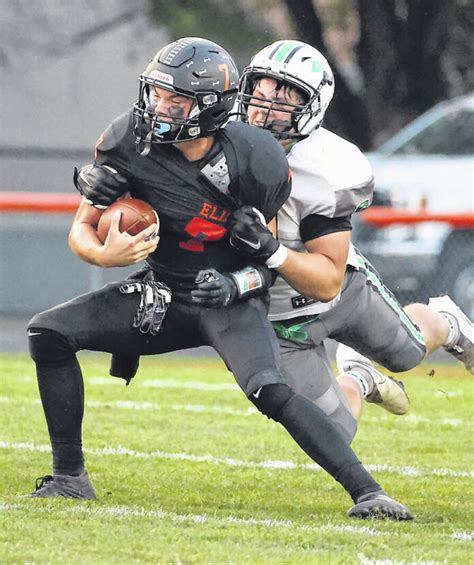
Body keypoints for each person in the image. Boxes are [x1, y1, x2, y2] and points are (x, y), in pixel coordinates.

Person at [27, 37, 411, 520]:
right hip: (162, 290)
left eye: (176, 99)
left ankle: (369, 492)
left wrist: (234, 286)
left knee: (270, 391)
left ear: (209, 108)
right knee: (48, 332)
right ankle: (69, 478)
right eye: (156, 94)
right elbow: (81, 233)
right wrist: (106, 254)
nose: (159, 108)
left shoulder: (255, 157)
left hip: (229, 297)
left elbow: (263, 264)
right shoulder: (128, 138)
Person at [217, 39, 473, 443]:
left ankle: (448, 320)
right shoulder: (216, 144)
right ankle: (359, 378)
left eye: (284, 99)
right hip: (278, 322)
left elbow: (328, 279)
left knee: (405, 353)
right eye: (260, 93)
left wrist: (271, 249)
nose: (264, 109)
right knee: (333, 435)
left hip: (339, 291)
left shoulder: (330, 165)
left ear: (312, 106)